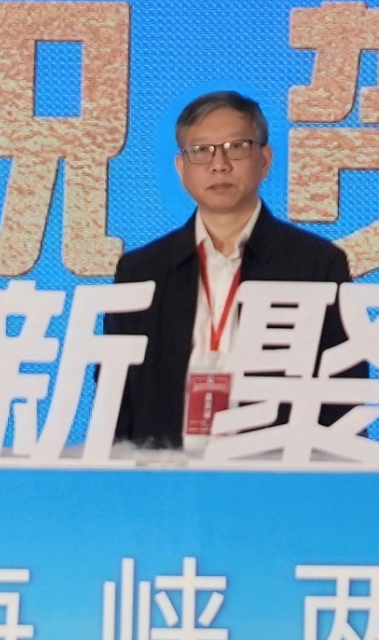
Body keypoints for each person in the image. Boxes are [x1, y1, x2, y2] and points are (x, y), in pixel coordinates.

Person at [107, 90, 355, 448]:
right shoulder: (142, 270)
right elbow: (117, 396)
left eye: (236, 147)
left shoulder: (316, 264)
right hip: (165, 468)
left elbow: (343, 392)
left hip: (274, 465)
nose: (219, 164)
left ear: (265, 160)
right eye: (201, 150)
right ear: (181, 168)